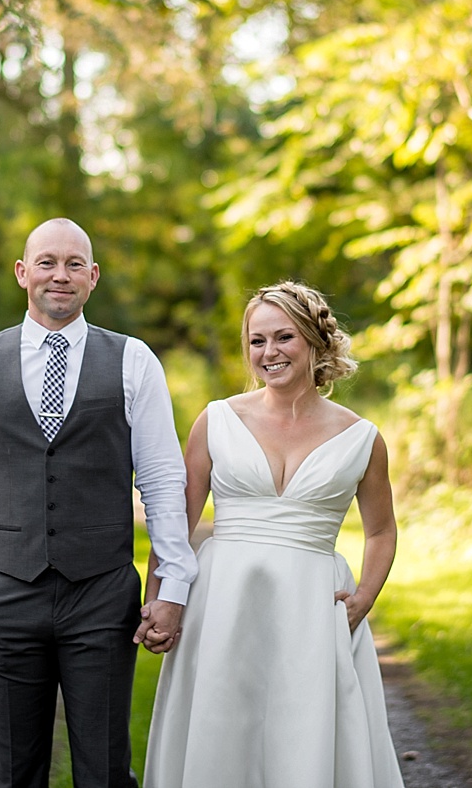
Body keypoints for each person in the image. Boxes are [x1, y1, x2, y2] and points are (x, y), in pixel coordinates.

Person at [0, 218, 197, 788]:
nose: (60, 275)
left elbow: (160, 479)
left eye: (75, 264)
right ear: (23, 273)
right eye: (47, 262)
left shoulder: (133, 361)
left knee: (103, 769)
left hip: (101, 595)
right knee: (13, 773)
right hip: (3, 592)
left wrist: (172, 586)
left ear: (93, 277)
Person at [141, 281, 405, 788]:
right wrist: (158, 599)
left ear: (313, 341)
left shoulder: (362, 438)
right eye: (257, 341)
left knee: (301, 732)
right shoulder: (216, 420)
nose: (269, 352)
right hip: (223, 600)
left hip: (312, 606)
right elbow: (177, 525)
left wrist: (363, 598)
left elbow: (381, 530)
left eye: (284, 337)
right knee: (221, 729)